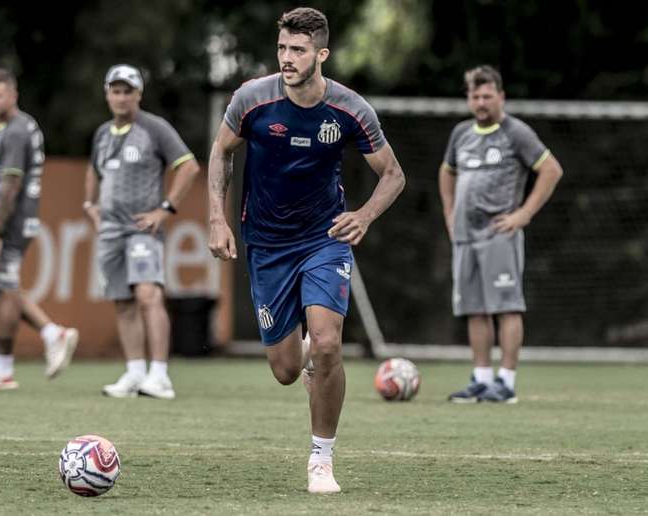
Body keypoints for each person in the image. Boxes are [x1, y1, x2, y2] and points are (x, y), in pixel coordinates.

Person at [208, 8, 405, 494]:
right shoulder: (252, 100)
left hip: (324, 239)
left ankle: (321, 458)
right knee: (285, 370)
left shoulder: (350, 109)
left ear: (321, 54)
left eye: (298, 50)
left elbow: (393, 174)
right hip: (267, 244)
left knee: (328, 343)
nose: (287, 59)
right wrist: (217, 216)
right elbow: (221, 152)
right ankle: (305, 358)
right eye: (282, 49)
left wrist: (363, 216)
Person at [439, 65, 563, 404]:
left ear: (501, 97)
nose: (481, 102)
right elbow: (446, 173)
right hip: (465, 235)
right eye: (475, 96)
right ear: (468, 98)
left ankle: (505, 382)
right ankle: (481, 379)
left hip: (499, 234)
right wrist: (450, 214)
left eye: (487, 96)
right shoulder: (461, 134)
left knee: (506, 307)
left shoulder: (516, 133)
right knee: (474, 309)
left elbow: (551, 170)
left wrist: (523, 214)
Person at [83, 64, 200, 400]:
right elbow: (94, 171)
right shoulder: (103, 133)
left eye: (127, 91)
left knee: (149, 295)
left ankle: (160, 374)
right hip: (110, 230)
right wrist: (89, 206)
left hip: (141, 229)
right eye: (115, 91)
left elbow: (188, 166)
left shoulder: (154, 127)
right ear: (107, 94)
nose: (121, 97)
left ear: (138, 94)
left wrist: (165, 209)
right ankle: (135, 372)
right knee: (122, 300)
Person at [0, 68, 79, 390]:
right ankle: (50, 335)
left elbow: (11, 183)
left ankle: (6, 366)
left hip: (10, 220)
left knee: (4, 289)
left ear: (13, 95)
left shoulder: (14, 131)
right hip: (22, 217)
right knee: (4, 287)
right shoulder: (22, 126)